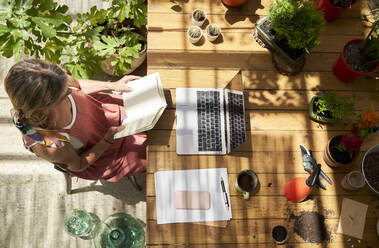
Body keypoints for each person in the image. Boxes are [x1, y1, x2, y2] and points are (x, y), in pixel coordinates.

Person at [4, 59, 147, 182]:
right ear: (46, 106)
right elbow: (79, 165)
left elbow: (77, 84)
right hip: (106, 149)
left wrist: (112, 85)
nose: (70, 89)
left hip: (104, 112)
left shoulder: (55, 79)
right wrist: (108, 139)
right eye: (66, 92)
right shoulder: (49, 143)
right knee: (157, 151)